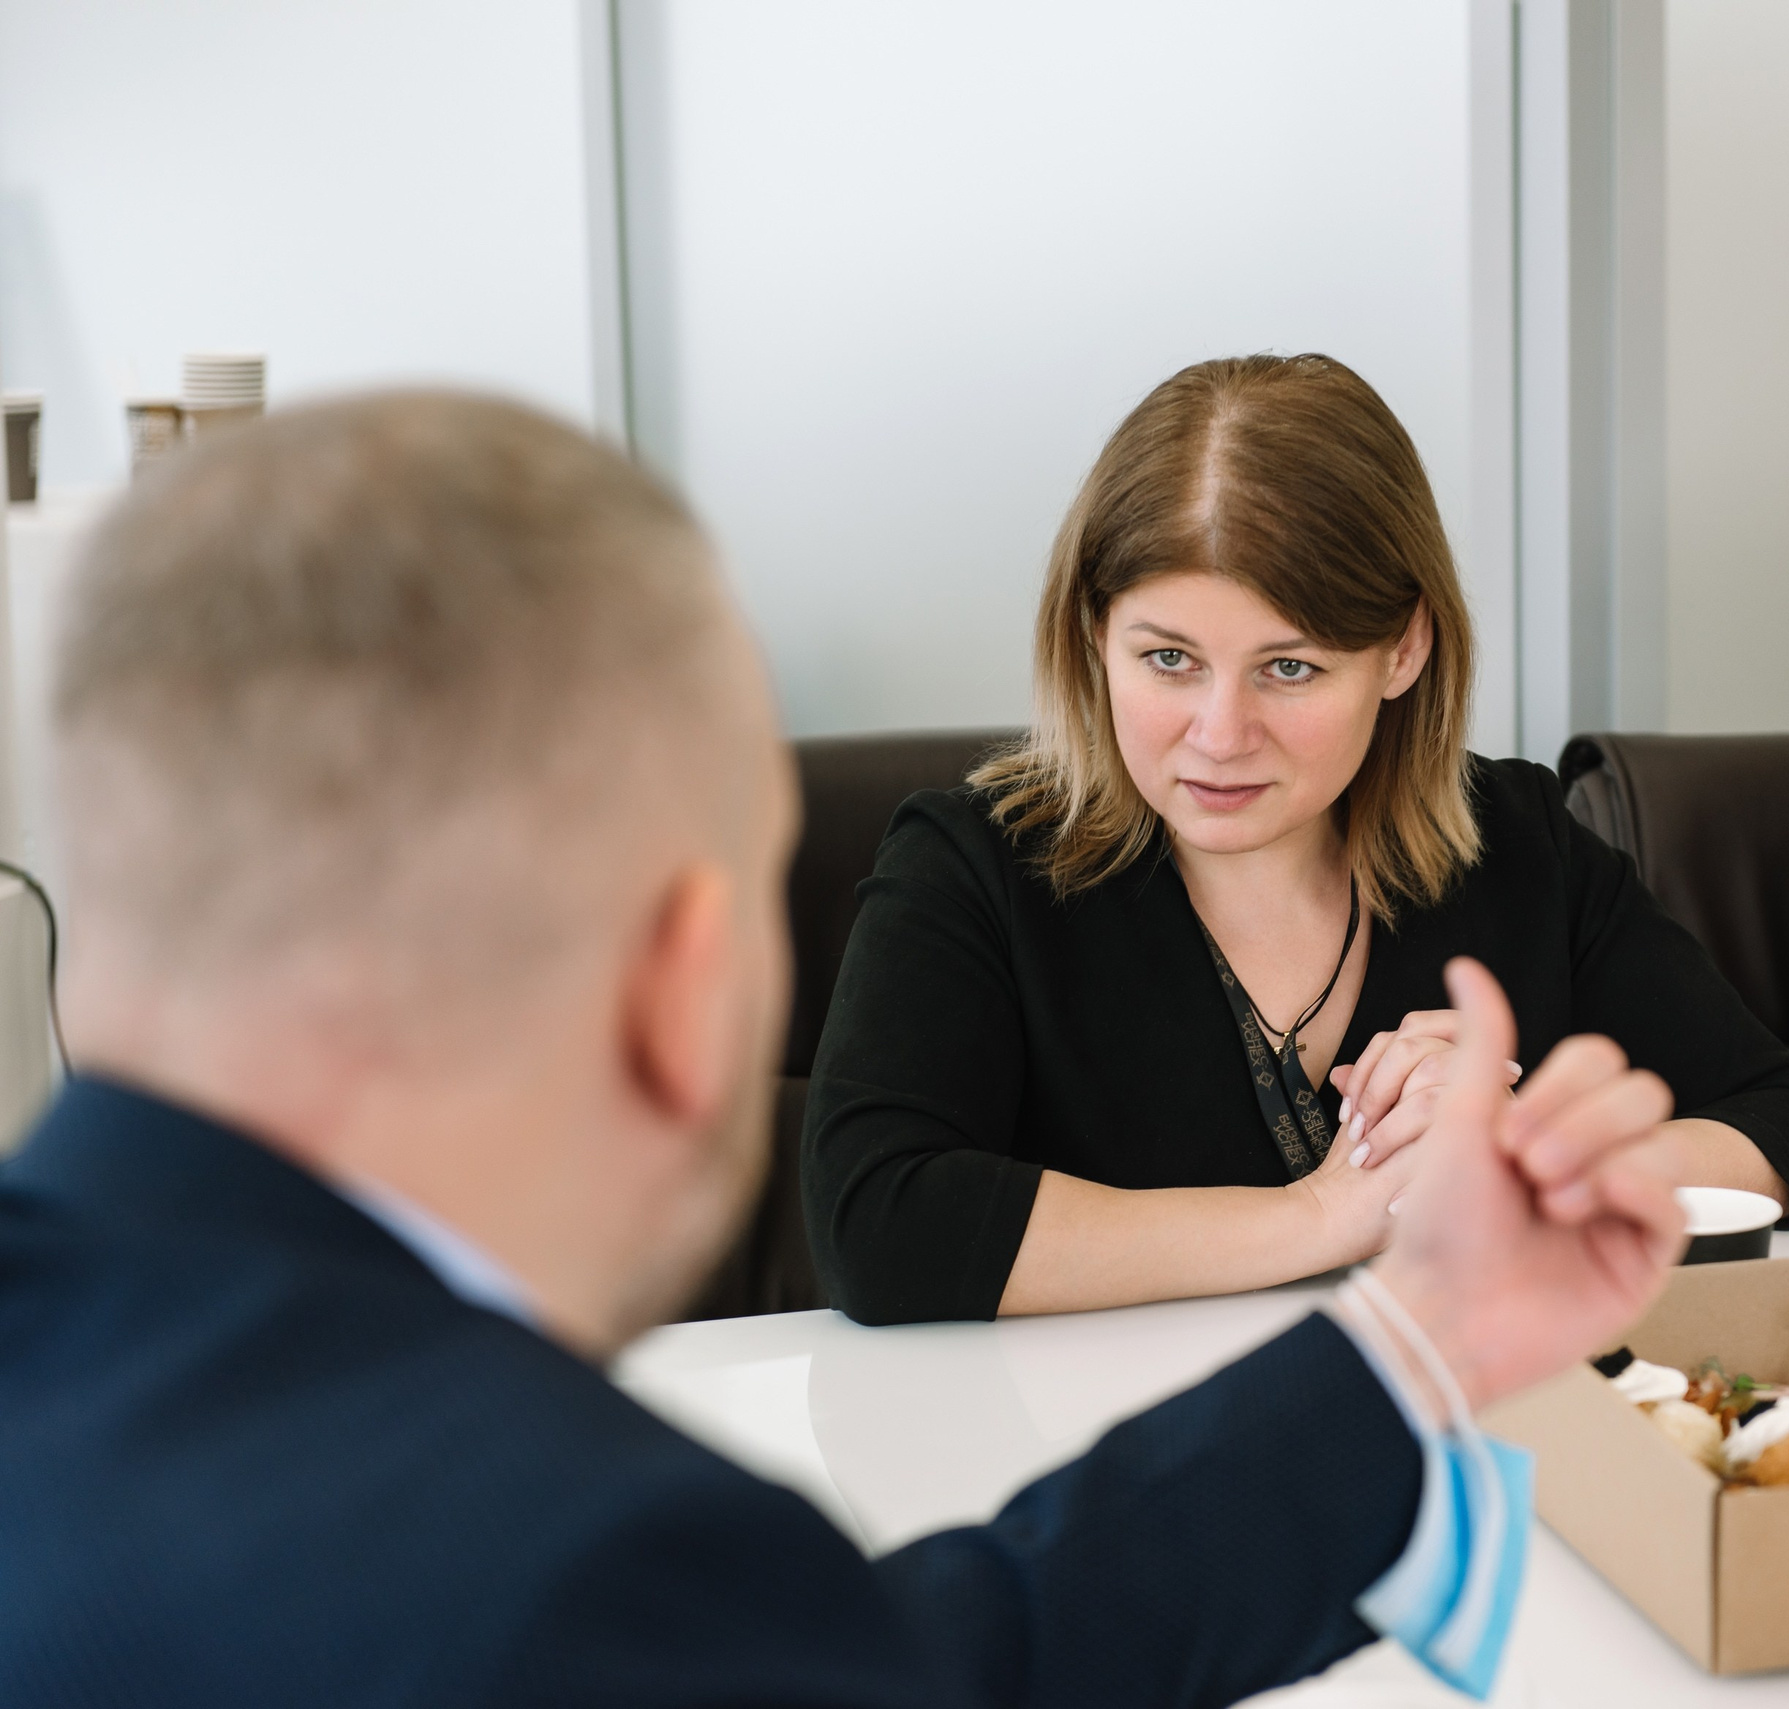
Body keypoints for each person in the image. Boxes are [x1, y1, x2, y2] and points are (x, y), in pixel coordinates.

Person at [0, 393, 1696, 1706]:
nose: (1217, 726)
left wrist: (1417, 1338)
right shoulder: (573, 1562)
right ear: (687, 982)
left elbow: (922, 1656)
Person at [804, 354, 1789, 1325]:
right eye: (1169, 660)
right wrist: (1323, 1214)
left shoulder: (1520, 842)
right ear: (1094, 634)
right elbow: (877, 1223)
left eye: (1290, 668)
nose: (1220, 735)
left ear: (1403, 649)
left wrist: (1524, 1160)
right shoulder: (970, 865)